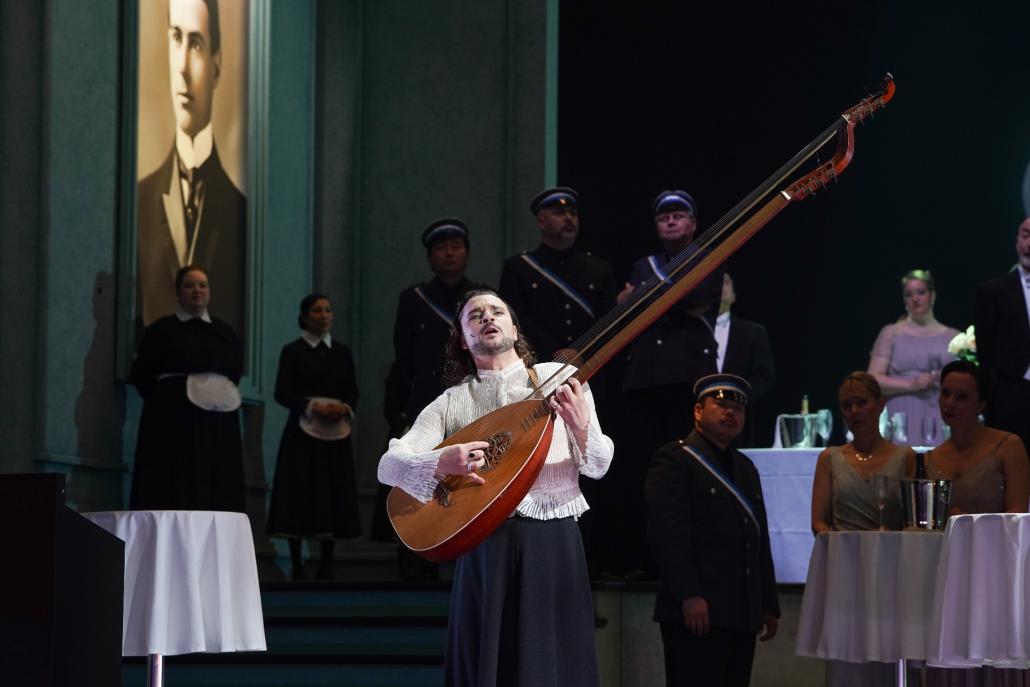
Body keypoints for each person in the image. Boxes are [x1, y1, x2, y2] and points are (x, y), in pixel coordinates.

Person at [378, 289, 614, 686]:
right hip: (485, 544)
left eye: (497, 311)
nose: (487, 318)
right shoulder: (452, 401)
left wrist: (580, 424)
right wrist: (440, 461)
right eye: (475, 315)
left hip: (553, 540)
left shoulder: (562, 379)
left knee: (554, 662)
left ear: (514, 326)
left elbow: (600, 466)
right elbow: (389, 466)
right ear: (462, 337)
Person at [645, 373, 779, 687]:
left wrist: (767, 604)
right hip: (696, 611)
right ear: (697, 412)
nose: (731, 412)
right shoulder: (674, 460)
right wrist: (689, 595)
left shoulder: (746, 468)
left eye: (738, 407)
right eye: (720, 404)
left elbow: (758, 539)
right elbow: (668, 534)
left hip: (739, 612)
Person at [617, 190, 725, 574]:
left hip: (687, 381)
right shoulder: (642, 263)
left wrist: (646, 294)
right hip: (647, 381)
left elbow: (700, 292)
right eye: (664, 217)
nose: (671, 222)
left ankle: (693, 560)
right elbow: (626, 308)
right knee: (648, 472)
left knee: (688, 469)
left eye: (679, 215)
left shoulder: (708, 258)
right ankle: (648, 559)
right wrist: (666, 296)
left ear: (694, 224)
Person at [374, 217, 486, 576]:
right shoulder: (414, 299)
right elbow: (403, 360)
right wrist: (401, 410)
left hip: (473, 402)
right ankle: (414, 564)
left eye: (456, 246)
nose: (450, 253)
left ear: (467, 253)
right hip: (424, 401)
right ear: (430, 257)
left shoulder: (482, 298)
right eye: (441, 247)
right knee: (418, 482)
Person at [137, 0, 246, 338]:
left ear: (215, 65)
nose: (182, 67)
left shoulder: (240, 211)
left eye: (196, 44)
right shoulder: (138, 201)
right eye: (176, 38)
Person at [924, 360, 1030, 687]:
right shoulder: (930, 457)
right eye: (945, 394)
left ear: (982, 403)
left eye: (962, 396)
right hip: (949, 578)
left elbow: (1018, 520)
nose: (950, 403)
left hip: (996, 578)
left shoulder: (1008, 446)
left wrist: (968, 521)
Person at [810, 372, 917, 686]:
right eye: (847, 405)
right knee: (847, 662)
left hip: (892, 573)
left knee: (890, 657)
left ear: (880, 405)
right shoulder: (829, 459)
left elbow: (912, 520)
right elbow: (818, 520)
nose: (854, 411)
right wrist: (841, 546)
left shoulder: (905, 457)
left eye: (861, 403)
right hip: (846, 573)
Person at [129, 264, 245, 512]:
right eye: (189, 285)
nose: (197, 290)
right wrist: (169, 399)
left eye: (202, 285)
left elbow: (235, 371)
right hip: (173, 424)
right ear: (178, 292)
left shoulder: (225, 332)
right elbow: (142, 375)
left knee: (217, 483)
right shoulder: (160, 331)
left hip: (218, 425)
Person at [266, 293, 360, 581]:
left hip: (335, 433)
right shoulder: (292, 351)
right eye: (317, 311)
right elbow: (282, 392)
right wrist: (311, 406)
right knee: (298, 492)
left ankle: (326, 565)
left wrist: (342, 408)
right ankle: (296, 563)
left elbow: (353, 392)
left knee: (332, 491)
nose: (324, 315)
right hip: (302, 434)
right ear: (305, 316)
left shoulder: (342, 353)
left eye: (328, 310)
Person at [498, 187, 617, 363]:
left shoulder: (599, 269)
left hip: (588, 366)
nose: (569, 218)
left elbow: (608, 321)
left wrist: (581, 352)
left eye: (572, 213)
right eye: (559, 213)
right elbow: (514, 319)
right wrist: (554, 353)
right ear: (541, 222)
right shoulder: (518, 267)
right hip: (537, 365)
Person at [867, 269, 957, 446]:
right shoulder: (892, 333)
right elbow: (872, 380)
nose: (915, 299)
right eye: (909, 294)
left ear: (933, 295)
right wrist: (911, 384)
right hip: (902, 415)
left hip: (941, 413)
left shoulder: (954, 337)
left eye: (921, 292)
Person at [974, 217, 1030, 452]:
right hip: (1010, 400)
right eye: (1026, 235)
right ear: (1017, 240)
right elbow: (986, 355)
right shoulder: (993, 292)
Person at [715, 272, 776, 447]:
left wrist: (736, 401)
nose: (720, 287)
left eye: (725, 282)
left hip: (739, 426)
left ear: (734, 295)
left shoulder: (753, 332)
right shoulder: (692, 333)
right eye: (715, 283)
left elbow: (765, 376)